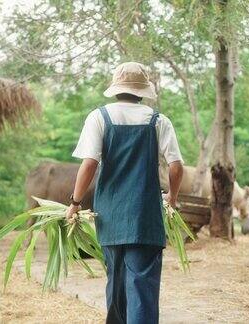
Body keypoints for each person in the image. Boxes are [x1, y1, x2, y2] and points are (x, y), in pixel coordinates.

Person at [66, 62, 184, 324]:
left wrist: (74, 203)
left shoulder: (99, 117)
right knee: (142, 288)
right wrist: (172, 199)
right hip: (145, 218)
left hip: (111, 216)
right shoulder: (158, 121)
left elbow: (89, 164)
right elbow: (176, 166)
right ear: (143, 91)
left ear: (116, 88)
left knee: (116, 284)